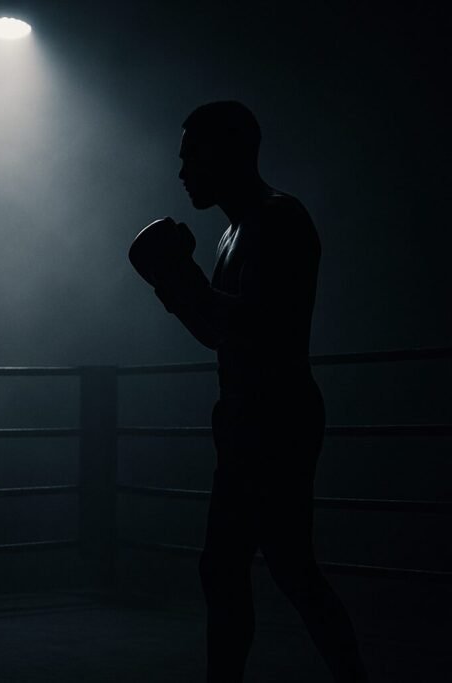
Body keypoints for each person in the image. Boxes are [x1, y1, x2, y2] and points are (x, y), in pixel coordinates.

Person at [129, 101, 368, 682]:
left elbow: (255, 324)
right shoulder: (232, 233)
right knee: (247, 568)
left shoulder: (278, 219)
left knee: (272, 569)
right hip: (246, 417)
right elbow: (214, 332)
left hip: (275, 415)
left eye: (192, 156)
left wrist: (177, 274)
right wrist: (171, 283)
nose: (182, 171)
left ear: (227, 153)